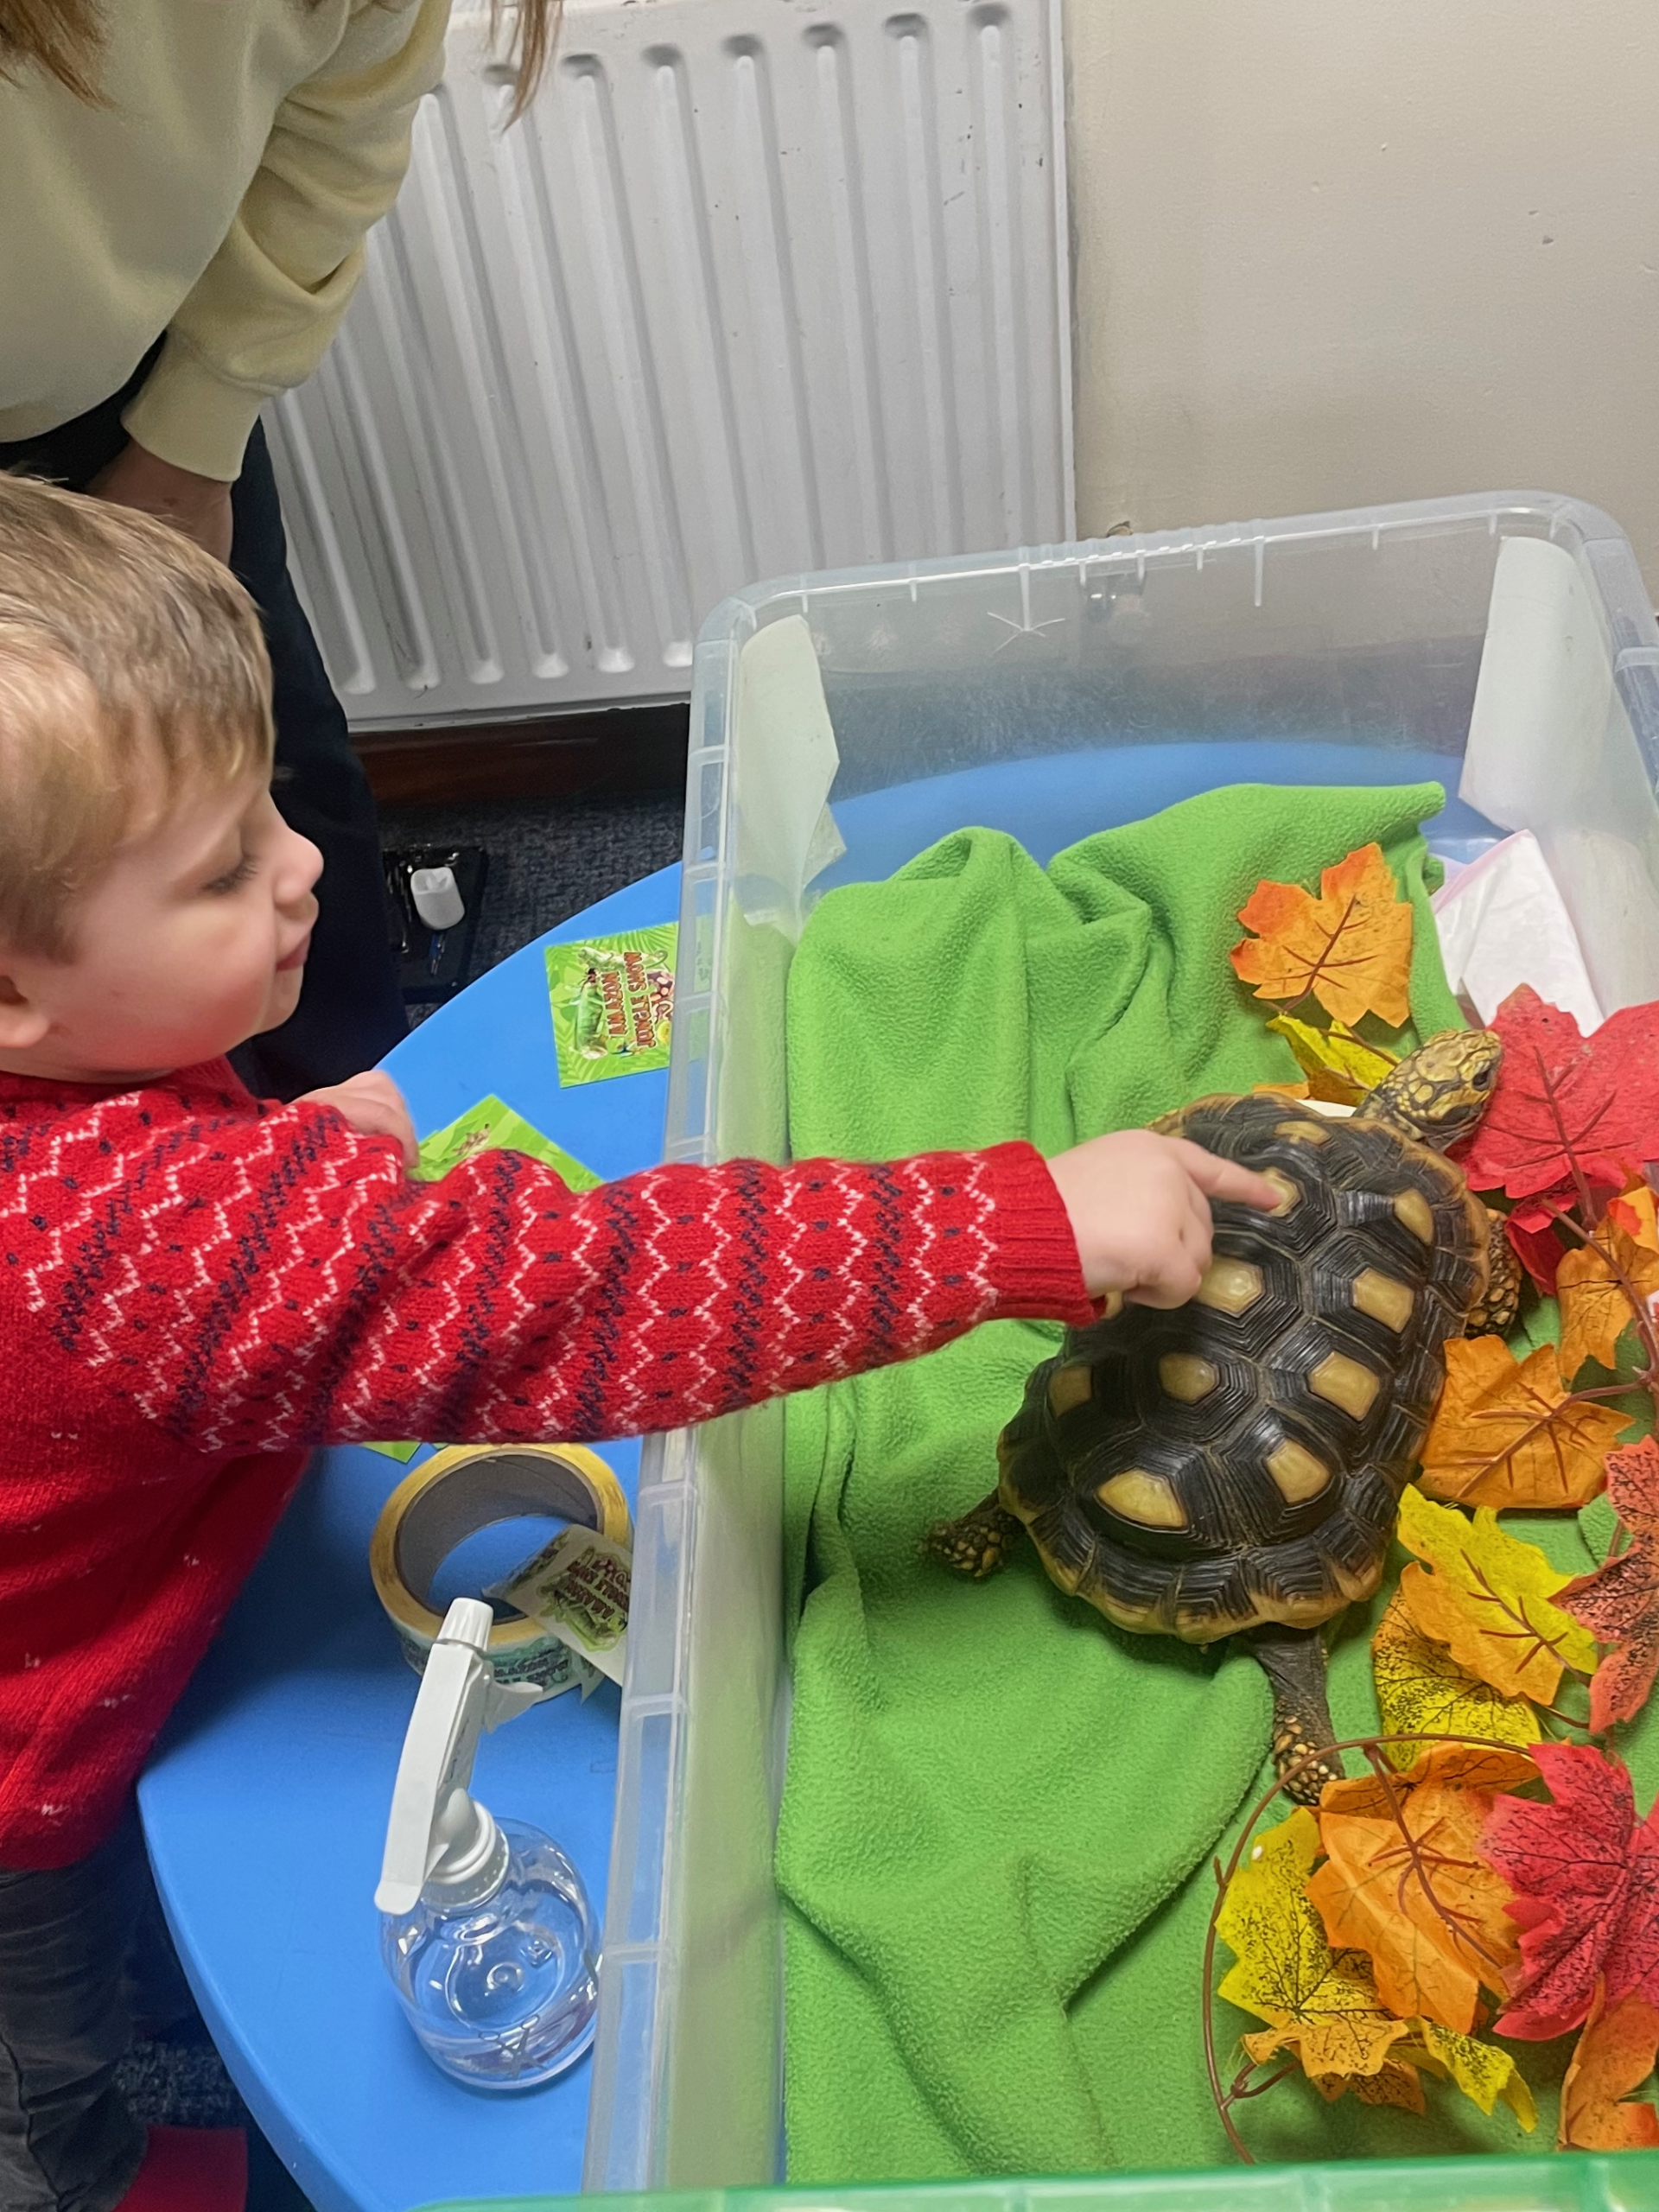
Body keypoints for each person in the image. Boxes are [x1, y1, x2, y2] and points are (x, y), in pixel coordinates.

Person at [0, 478, 1281, 2210]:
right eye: (225, 867)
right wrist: (1026, 1220)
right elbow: (594, 1290)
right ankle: (85, 2158)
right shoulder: (130, 1246)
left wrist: (287, 1173)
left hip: (126, 1523)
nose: (308, 866)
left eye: (273, 813)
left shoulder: (95, 1134)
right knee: (45, 2029)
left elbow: (148, 1233)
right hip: (31, 1755)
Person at [0, 0, 556, 1103]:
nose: (299, 857)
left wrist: (194, 433)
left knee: (260, 742)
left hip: (111, 392)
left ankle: (309, 1096)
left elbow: (337, 132)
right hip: (186, 1209)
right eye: (228, 871)